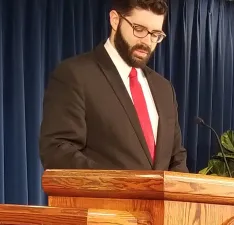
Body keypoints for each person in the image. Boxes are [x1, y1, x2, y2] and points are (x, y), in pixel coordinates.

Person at [38, 0, 188, 172]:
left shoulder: (164, 89)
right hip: (102, 198)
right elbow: (58, 151)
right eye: (139, 29)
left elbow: (177, 158)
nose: (147, 41)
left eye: (155, 34)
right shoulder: (75, 75)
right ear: (115, 20)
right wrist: (120, 185)